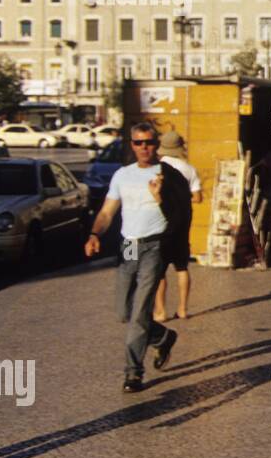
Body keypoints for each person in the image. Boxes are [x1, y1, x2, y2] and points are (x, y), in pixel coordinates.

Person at [85, 122, 184, 393]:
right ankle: (162, 337)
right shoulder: (122, 175)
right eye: (139, 143)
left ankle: (133, 372)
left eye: (149, 142)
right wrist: (95, 234)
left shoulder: (168, 174)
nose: (144, 148)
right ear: (132, 145)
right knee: (123, 310)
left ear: (157, 144)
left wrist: (161, 198)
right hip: (128, 245)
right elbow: (107, 212)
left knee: (140, 311)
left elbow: (180, 213)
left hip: (154, 246)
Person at [153, 131, 204, 324]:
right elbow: (198, 198)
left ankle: (160, 311)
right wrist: (182, 198)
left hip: (163, 222)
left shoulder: (157, 168)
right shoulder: (189, 169)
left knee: (160, 269)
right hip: (183, 221)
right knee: (182, 267)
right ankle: (182, 309)